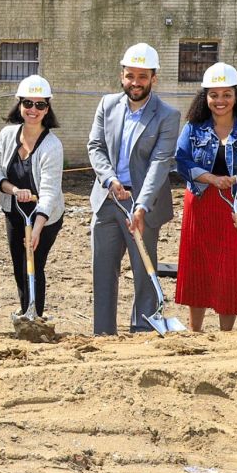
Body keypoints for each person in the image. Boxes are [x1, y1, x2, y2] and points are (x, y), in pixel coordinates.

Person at [87, 43, 181, 335]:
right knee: (103, 270)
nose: (135, 83)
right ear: (122, 75)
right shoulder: (107, 105)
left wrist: (140, 205)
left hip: (144, 205)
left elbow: (160, 162)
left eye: (143, 76)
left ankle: (142, 330)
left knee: (143, 271)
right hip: (108, 199)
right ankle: (103, 333)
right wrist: (109, 179)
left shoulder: (167, 115)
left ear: (154, 78)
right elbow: (96, 146)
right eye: (130, 76)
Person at [173, 63, 237, 331]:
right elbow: (182, 160)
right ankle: (195, 330)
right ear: (206, 97)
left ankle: (226, 334)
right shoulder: (193, 129)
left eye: (227, 94)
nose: (220, 100)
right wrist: (211, 178)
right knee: (198, 266)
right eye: (214, 94)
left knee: (231, 268)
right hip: (202, 204)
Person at [0, 74, 64, 319]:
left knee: (34, 265)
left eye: (40, 105)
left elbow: (50, 192)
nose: (33, 110)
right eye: (28, 103)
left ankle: (35, 315)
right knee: (19, 266)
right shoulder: (8, 134)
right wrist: (13, 190)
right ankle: (25, 311)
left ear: (47, 109)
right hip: (15, 212)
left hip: (45, 217)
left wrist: (38, 229)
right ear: (19, 105)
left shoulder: (52, 146)